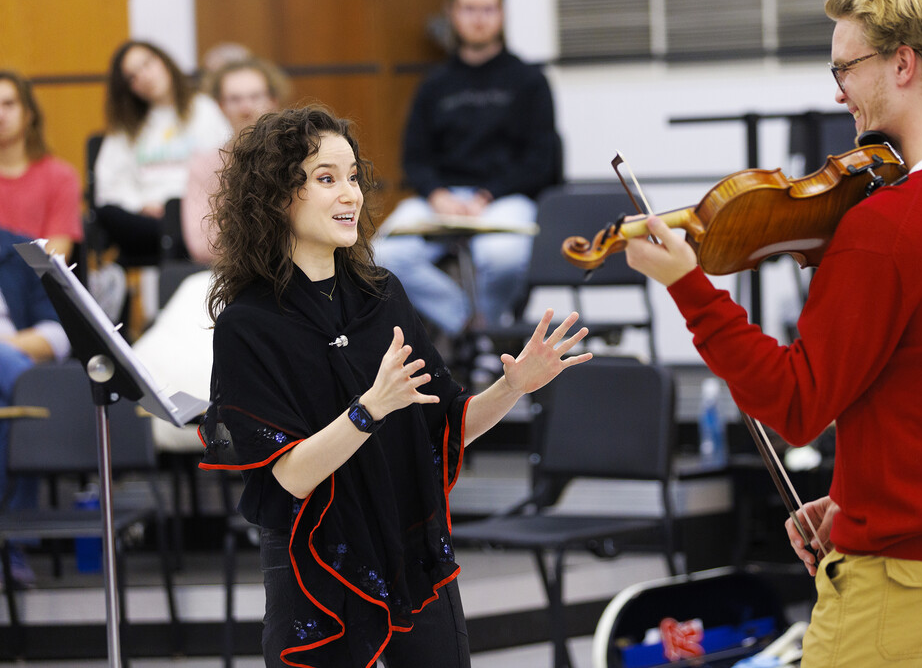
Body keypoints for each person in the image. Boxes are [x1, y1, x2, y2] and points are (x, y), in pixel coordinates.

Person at [623, 0, 922, 667]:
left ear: (903, 63)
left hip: (909, 575)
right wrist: (856, 496)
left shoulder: (887, 225)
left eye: (846, 67)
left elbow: (795, 402)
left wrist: (689, 285)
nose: (837, 90)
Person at [198, 106, 590, 667]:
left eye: (353, 177)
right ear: (278, 195)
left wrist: (513, 387)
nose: (350, 194)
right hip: (313, 563)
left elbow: (447, 424)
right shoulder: (248, 325)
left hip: (407, 544)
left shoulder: (383, 295)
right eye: (326, 179)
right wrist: (369, 410)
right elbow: (289, 475)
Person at [374, 0, 559, 337]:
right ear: (452, 14)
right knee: (381, 258)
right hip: (441, 199)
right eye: (469, 8)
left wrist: (487, 195)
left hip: (505, 198)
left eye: (488, 9)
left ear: (502, 14)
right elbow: (415, 159)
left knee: (503, 258)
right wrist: (439, 195)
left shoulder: (529, 82)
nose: (478, 18)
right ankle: (472, 326)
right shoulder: (434, 86)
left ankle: (486, 336)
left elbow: (541, 159)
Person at [92, 40, 231, 263]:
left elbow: (224, 168)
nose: (145, 76)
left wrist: (187, 208)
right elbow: (108, 186)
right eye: (133, 76)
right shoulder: (126, 128)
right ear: (128, 88)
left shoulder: (203, 109)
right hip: (147, 220)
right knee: (109, 214)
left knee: (189, 224)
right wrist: (140, 205)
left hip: (198, 214)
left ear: (164, 61)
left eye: (147, 64)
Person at [0, 227, 72, 588]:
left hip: (13, 365)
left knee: (7, 404)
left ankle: (8, 545)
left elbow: (59, 331)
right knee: (24, 400)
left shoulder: (16, 251)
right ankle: (10, 545)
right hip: (22, 374)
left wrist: (8, 347)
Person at [182, 56, 290, 263]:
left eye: (256, 96)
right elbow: (202, 244)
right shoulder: (205, 165)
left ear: (273, 101)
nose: (246, 108)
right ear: (220, 106)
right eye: (234, 99)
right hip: (228, 272)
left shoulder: (299, 158)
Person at [0, 70, 83, 261]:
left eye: (9, 104)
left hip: (34, 285)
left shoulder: (61, 177)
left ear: (29, 114)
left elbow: (54, 258)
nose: (0, 115)